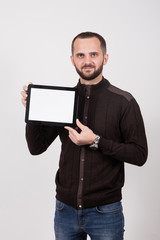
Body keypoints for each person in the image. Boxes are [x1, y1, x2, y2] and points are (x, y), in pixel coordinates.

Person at [21, 32, 148, 240]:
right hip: (65, 211)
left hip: (106, 212)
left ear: (105, 58)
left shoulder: (124, 101)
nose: (87, 61)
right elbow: (36, 148)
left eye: (94, 54)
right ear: (72, 60)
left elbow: (139, 154)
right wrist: (32, 111)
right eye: (80, 55)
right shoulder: (61, 100)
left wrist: (96, 141)